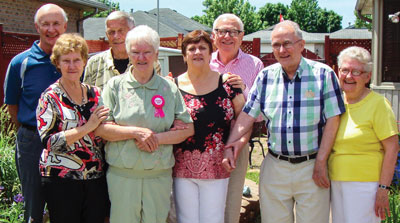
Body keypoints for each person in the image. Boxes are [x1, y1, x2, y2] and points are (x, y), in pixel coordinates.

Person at [222, 20, 345, 223]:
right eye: (276, 45)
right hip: (275, 166)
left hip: (312, 165)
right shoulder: (265, 77)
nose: (282, 50)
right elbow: (246, 116)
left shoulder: (323, 75)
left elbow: (333, 119)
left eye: (287, 43)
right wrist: (229, 146)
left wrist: (322, 161)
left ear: (301, 45)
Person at [95, 25, 194, 223]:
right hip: (122, 175)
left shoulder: (169, 88)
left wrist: (156, 138)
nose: (141, 58)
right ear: (128, 54)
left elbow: (187, 128)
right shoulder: (114, 86)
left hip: (158, 175)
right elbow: (101, 127)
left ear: (156, 54)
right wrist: (135, 133)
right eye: (135, 52)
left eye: (147, 52)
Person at [172, 30, 245, 223]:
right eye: (192, 48)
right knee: (185, 219)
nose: (197, 52)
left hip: (217, 165)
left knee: (213, 219)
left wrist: (231, 147)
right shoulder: (171, 86)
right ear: (184, 55)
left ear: (211, 52)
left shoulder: (228, 83)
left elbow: (243, 118)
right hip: (181, 167)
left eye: (203, 47)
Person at [3, 4, 67, 222]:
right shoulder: (21, 63)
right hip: (32, 141)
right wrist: (31, 130)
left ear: (65, 26)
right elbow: (12, 105)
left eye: (56, 23)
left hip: (68, 141)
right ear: (37, 27)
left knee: (65, 204)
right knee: (34, 208)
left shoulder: (73, 61)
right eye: (45, 24)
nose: (51, 29)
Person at [36, 33, 109, 223]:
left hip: (95, 177)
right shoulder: (50, 97)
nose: (72, 66)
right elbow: (49, 142)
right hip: (61, 179)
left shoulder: (96, 94)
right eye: (66, 60)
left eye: (76, 60)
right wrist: (88, 127)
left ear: (84, 61)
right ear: (57, 63)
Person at [329, 46, 399, 223]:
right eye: (345, 70)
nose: (349, 76)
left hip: (365, 185)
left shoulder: (378, 104)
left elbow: (392, 148)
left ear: (368, 76)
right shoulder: (335, 102)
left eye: (356, 71)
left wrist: (383, 188)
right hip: (335, 181)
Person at [209, 13, 264, 223]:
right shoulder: (204, 61)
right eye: (221, 31)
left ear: (242, 37)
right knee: (205, 200)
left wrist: (244, 90)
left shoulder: (254, 65)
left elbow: (259, 114)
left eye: (233, 32)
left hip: (237, 142)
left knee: (232, 201)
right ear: (214, 36)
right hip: (204, 144)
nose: (227, 36)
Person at [83, 11, 161, 89]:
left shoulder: (149, 63)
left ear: (133, 31)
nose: (116, 36)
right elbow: (86, 97)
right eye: (111, 32)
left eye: (121, 31)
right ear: (106, 34)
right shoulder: (94, 64)